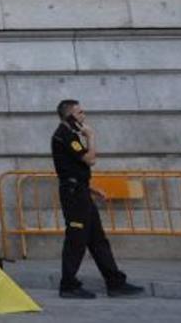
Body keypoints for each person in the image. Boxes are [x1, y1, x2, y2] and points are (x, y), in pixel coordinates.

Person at [52, 100, 144, 299]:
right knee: (76, 239)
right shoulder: (65, 136)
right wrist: (91, 137)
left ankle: (115, 282)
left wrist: (91, 189)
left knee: (97, 240)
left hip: (81, 192)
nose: (84, 116)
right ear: (69, 116)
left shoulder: (71, 136)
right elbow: (90, 160)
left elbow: (72, 169)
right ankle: (68, 285)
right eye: (80, 113)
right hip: (74, 195)